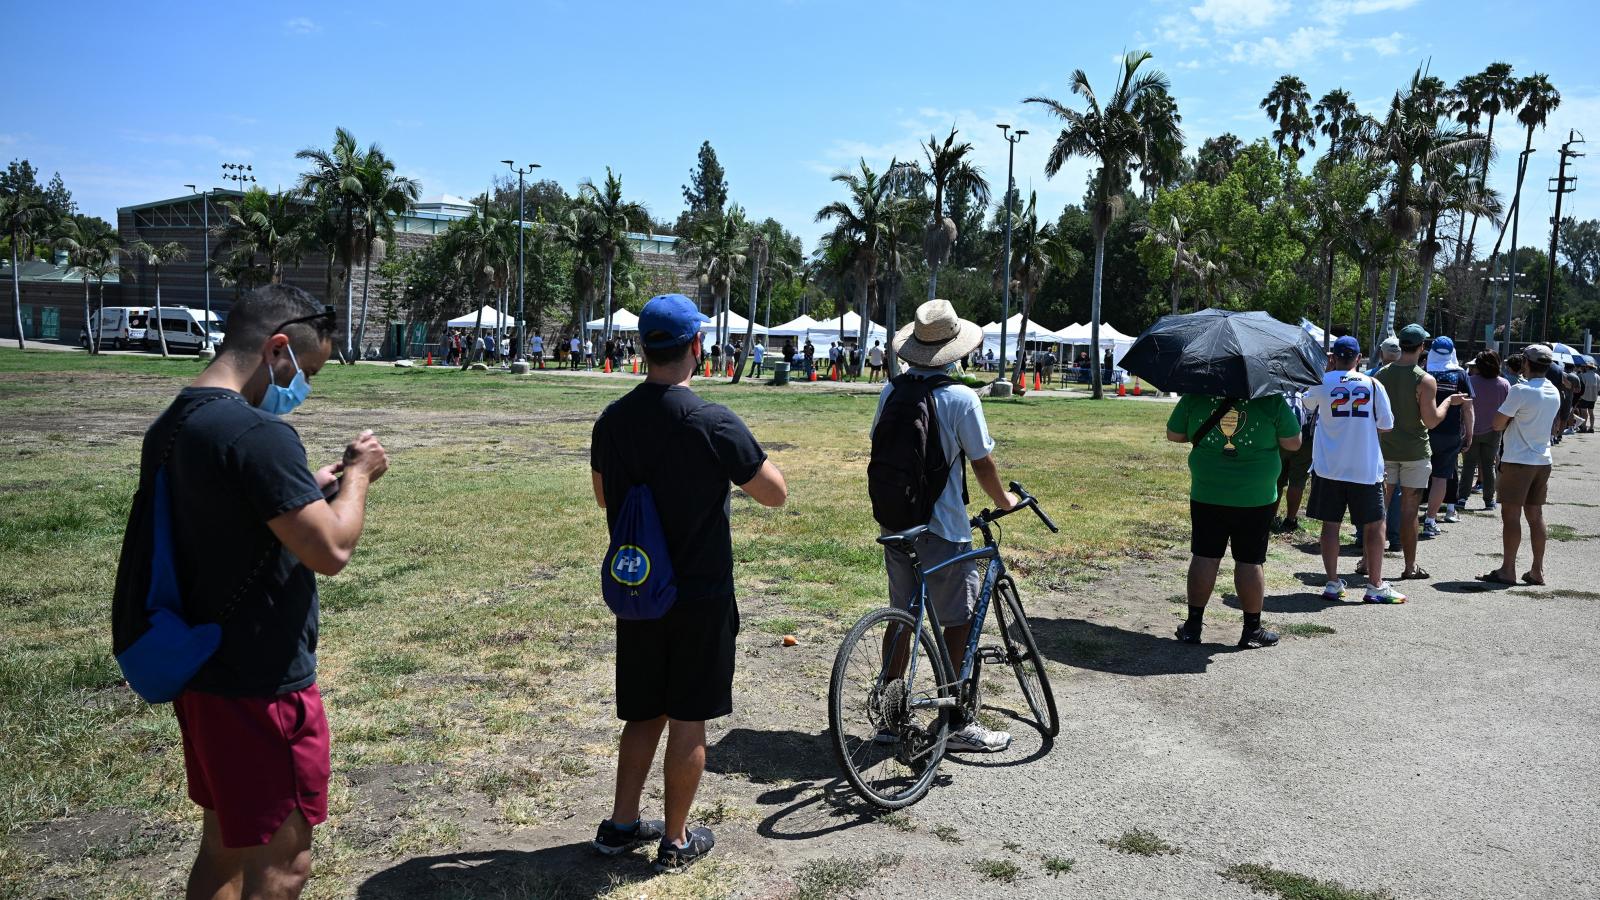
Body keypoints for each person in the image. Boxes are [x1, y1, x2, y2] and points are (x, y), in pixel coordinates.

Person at [117, 285, 388, 900]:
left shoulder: (176, 421)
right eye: (306, 372)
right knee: (283, 864)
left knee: (225, 850)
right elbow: (331, 549)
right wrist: (359, 479)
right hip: (261, 685)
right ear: (277, 349)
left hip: (206, 673)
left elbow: (225, 515)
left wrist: (306, 486)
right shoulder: (256, 435)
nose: (302, 388)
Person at [589, 294, 788, 872]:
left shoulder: (613, 420)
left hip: (639, 588)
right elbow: (774, 493)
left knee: (643, 711)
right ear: (696, 347)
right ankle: (675, 838)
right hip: (699, 594)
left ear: (642, 348)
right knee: (688, 714)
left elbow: (605, 495)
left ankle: (621, 824)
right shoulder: (713, 421)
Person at [875, 299, 1021, 752]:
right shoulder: (961, 398)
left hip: (899, 524)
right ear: (957, 351)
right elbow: (983, 463)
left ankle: (889, 713)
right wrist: (1006, 501)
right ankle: (955, 720)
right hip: (944, 529)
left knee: (903, 616)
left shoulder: (892, 392)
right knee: (958, 619)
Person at [1166, 386, 1302, 648]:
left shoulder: (1197, 394)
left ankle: (1193, 626)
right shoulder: (1270, 400)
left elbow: (1174, 434)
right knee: (1250, 560)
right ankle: (1251, 629)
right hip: (1256, 495)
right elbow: (1293, 442)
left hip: (1208, 490)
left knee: (1205, 555)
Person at [1302, 337, 1405, 603]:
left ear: (1333, 357)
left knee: (1331, 525)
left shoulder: (1322, 382)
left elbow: (1306, 405)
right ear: (1359, 358)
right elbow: (1386, 425)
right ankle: (1375, 585)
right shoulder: (1373, 384)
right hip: (1365, 467)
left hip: (1329, 467)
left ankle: (1333, 582)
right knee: (1374, 524)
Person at [1372, 325, 1466, 580]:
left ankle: (1367, 562)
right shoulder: (1425, 380)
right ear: (1422, 347)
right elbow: (1432, 420)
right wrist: (1449, 402)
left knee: (1379, 509)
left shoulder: (1381, 375)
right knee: (1410, 511)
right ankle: (1409, 565)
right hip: (1414, 452)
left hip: (1385, 450)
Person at [1479, 344, 1561, 586]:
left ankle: (1508, 569)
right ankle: (1537, 570)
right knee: (1535, 515)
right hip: (1542, 460)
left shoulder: (1520, 390)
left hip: (1518, 460)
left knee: (1511, 515)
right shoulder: (1553, 391)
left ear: (1526, 362)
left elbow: (1497, 423)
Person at [1421, 336, 1473, 536]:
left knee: (1418, 476)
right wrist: (1469, 433)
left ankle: (1404, 517)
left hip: (1422, 431)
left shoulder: (1423, 372)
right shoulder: (1460, 375)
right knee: (1441, 477)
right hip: (1450, 433)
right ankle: (1431, 519)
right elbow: (1468, 408)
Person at [1460, 350, 1510, 511]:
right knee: (1489, 466)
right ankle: (1489, 500)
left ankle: (1462, 498)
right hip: (1494, 430)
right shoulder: (1504, 384)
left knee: (1468, 465)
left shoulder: (1470, 381)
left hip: (1470, 429)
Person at [1273, 389, 1315, 533]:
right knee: (1297, 482)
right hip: (1306, 440)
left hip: (1282, 439)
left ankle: (1271, 518)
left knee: (1277, 479)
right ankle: (1290, 520)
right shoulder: (1311, 385)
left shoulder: (1280, 385)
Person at [1578, 357, 1598, 433]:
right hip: (1593, 397)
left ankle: (1584, 427)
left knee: (1584, 413)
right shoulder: (1597, 376)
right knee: (1591, 412)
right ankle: (1592, 427)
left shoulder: (1584, 375)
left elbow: (1582, 387)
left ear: (1587, 367)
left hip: (1584, 396)